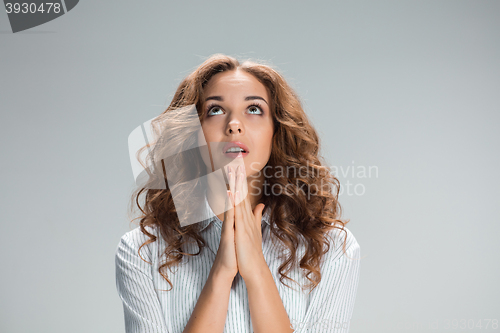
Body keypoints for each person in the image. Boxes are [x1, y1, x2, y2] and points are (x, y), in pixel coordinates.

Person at [115, 54, 361, 333]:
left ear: (276, 131)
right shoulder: (142, 251)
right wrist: (220, 272)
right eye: (215, 110)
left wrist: (256, 268)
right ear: (194, 134)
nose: (234, 124)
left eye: (254, 109)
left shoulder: (332, 247)